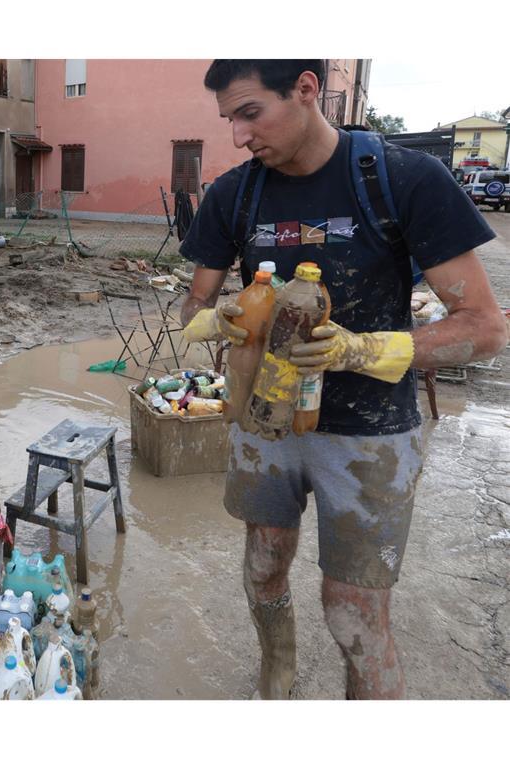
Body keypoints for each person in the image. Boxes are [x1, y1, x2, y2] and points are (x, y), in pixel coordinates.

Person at [178, 60, 508, 699]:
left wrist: (360, 350)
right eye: (230, 120)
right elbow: (194, 305)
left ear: (305, 89)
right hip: (266, 422)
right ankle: (277, 675)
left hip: (369, 436)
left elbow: (486, 328)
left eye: (251, 113)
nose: (240, 136)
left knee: (352, 614)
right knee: (263, 569)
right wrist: (214, 317)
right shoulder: (235, 194)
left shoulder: (403, 179)